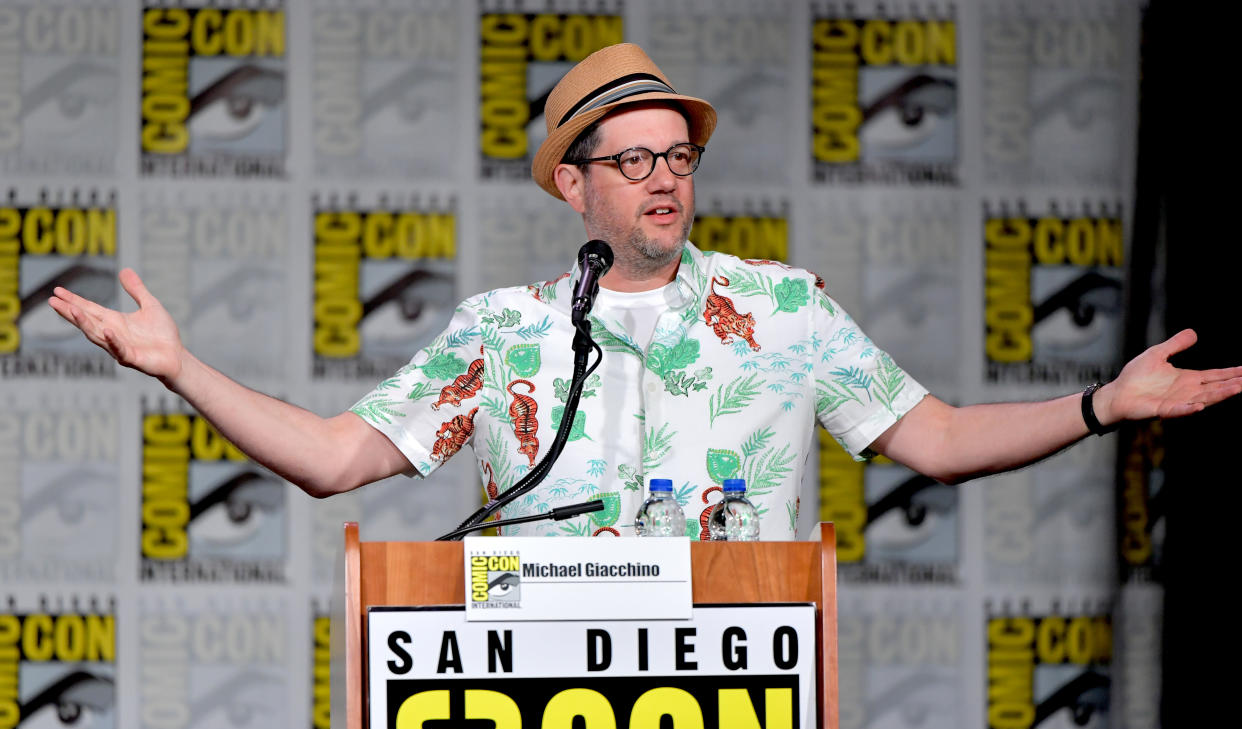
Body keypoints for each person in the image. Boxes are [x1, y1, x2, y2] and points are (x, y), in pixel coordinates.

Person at [49, 43, 1242, 540]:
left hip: (740, 709)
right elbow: (327, 459)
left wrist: (1102, 407)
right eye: (633, 161)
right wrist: (180, 368)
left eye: (679, 156)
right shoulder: (505, 331)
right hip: (536, 711)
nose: (664, 179)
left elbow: (931, 439)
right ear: (574, 186)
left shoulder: (782, 309)